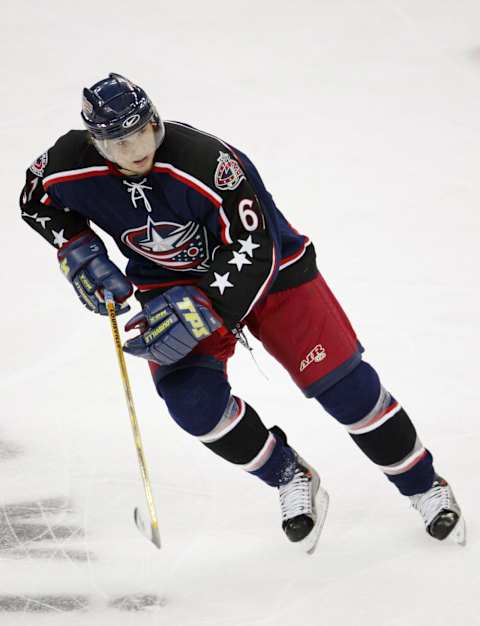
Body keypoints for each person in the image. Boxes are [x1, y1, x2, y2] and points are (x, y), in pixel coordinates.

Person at [20, 73, 465, 554]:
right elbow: (34, 198)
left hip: (274, 276)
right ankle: (289, 475)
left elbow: (256, 248)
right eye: (119, 143)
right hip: (169, 286)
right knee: (194, 406)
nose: (135, 151)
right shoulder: (67, 162)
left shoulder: (208, 163)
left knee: (348, 392)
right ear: (95, 142)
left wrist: (205, 306)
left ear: (155, 120)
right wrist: (78, 249)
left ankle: (424, 486)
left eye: (143, 133)